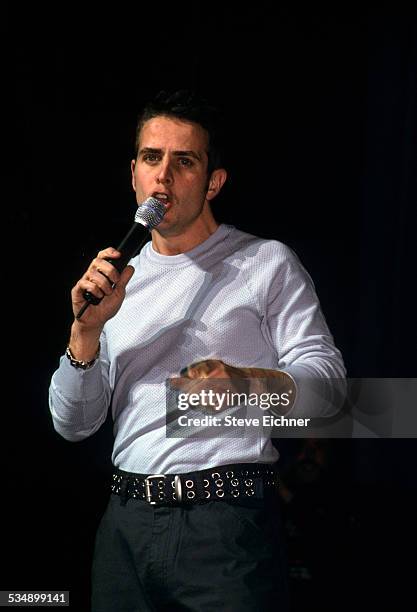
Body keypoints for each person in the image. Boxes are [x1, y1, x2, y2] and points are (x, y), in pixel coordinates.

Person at [49, 89, 346, 611]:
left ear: (214, 182)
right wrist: (85, 337)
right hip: (124, 524)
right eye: (151, 158)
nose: (163, 176)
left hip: (225, 526)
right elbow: (73, 425)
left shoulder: (264, 262)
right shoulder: (120, 283)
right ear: (134, 175)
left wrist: (246, 386)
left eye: (184, 162)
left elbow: (331, 392)